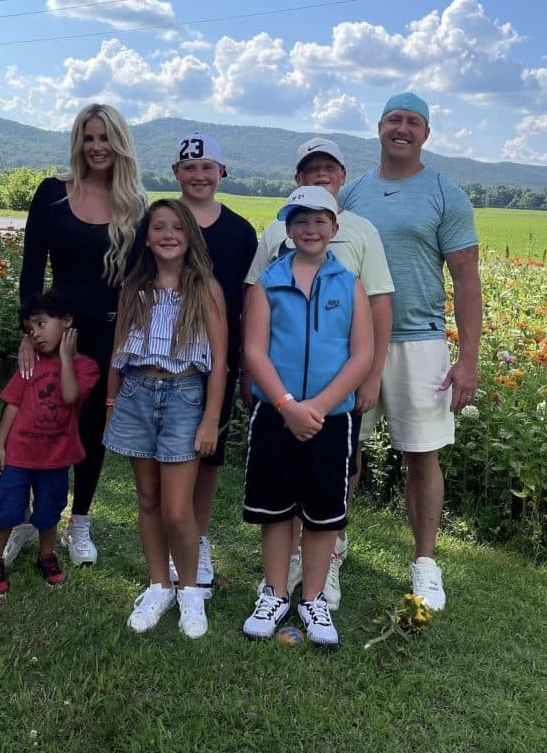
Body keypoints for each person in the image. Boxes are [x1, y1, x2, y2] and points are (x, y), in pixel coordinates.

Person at [340, 92, 482, 611]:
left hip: (419, 340)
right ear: (378, 127)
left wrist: (468, 358)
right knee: (343, 451)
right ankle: (330, 549)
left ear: (426, 134)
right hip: (353, 341)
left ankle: (424, 563)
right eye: (394, 120)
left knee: (422, 455)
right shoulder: (351, 192)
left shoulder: (446, 194)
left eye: (413, 122)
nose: (403, 129)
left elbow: (467, 279)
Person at [244, 138, 393, 611]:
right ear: (287, 228)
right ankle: (275, 591)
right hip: (278, 409)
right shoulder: (269, 281)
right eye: (301, 221)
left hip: (330, 414)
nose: (310, 229)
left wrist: (321, 407)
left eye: (320, 221)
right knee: (276, 506)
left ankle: (314, 595)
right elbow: (255, 348)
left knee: (325, 510)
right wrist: (286, 405)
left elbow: (361, 351)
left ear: (335, 227)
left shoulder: (348, 281)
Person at [6, 104, 146, 569]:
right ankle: (28, 520)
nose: (97, 146)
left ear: (119, 143)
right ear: (78, 142)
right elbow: (30, 274)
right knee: (38, 420)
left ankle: (78, 522)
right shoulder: (52, 194)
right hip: (52, 332)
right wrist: (28, 333)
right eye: (89, 137)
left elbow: (139, 283)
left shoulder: (134, 206)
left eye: (105, 137)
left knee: (92, 431)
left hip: (108, 335)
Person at [104, 199, 227, 639]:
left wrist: (211, 418)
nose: (168, 234)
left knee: (178, 509)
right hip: (137, 393)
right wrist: (111, 403)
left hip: (184, 396)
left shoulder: (206, 289)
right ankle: (159, 585)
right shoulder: (135, 288)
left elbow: (218, 361)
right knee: (148, 498)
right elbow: (117, 353)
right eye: (159, 227)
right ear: (148, 237)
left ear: (189, 235)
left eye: (177, 227)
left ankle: (190, 589)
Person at [170, 131, 257, 595]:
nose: (199, 174)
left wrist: (242, 364)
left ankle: (196, 539)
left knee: (208, 455)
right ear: (175, 173)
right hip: (165, 359)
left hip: (217, 362)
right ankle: (171, 540)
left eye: (207, 167)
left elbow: (246, 303)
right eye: (189, 167)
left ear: (222, 172)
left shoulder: (240, 231)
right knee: (168, 451)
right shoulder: (162, 221)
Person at [0, 290, 100, 596]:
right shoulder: (30, 362)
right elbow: (13, 404)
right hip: (19, 456)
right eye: (30, 329)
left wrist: (64, 357)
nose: (35, 334)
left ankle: (47, 556)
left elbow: (71, 396)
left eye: (41, 324)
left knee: (49, 510)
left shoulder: (86, 367)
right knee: (6, 508)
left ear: (67, 322)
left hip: (55, 459)